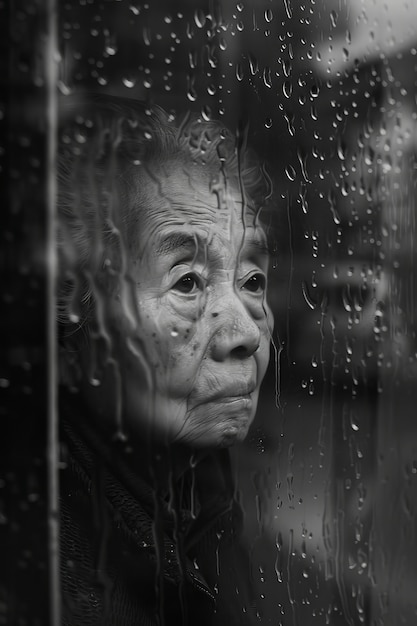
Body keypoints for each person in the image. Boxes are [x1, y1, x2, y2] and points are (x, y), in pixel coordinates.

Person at [57, 94, 274, 625]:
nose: (246, 332)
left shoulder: (200, 489)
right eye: (187, 282)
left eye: (252, 281)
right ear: (77, 315)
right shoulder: (46, 558)